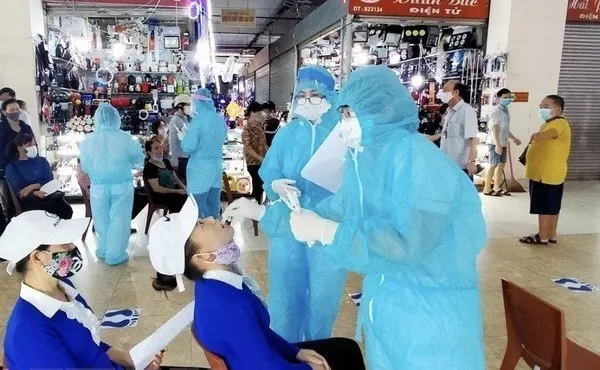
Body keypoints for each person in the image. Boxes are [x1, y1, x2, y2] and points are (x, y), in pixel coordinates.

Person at [286, 66, 486, 369]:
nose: (344, 124)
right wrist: (270, 211)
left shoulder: (420, 161)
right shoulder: (368, 159)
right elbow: (342, 207)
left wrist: (329, 232)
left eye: (349, 114)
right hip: (391, 306)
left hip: (432, 323)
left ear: (379, 111)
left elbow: (406, 246)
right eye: (342, 114)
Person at [147, 197, 366, 370]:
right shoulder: (228, 305)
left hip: (262, 356)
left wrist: (295, 352)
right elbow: (264, 365)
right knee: (347, 353)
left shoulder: (216, 284)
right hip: (262, 364)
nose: (213, 219)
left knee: (345, 349)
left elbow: (259, 334)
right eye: (202, 224)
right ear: (203, 258)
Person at [226, 66, 347, 342]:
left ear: (330, 95)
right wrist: (276, 184)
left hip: (327, 228)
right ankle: (288, 350)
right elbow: (270, 171)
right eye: (301, 95)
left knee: (323, 295)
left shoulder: (341, 135)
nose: (307, 100)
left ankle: (319, 348)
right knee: (286, 294)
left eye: (315, 94)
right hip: (288, 227)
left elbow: (354, 181)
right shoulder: (288, 132)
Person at [0, 211, 164, 369]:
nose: (73, 246)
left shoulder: (65, 287)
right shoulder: (29, 333)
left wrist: (129, 359)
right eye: (64, 243)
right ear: (37, 257)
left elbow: (89, 345)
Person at [80, 103, 145, 265]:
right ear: (116, 118)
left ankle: (103, 249)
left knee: (101, 218)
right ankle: (115, 254)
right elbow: (138, 161)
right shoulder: (125, 138)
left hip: (98, 186)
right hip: (121, 185)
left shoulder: (88, 140)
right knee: (120, 218)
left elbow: (85, 166)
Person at [519, 95, 571, 245]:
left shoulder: (559, 123)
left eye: (546, 106)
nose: (542, 109)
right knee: (552, 205)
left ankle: (542, 236)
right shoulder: (552, 122)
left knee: (544, 206)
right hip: (551, 173)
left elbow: (553, 133)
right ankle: (551, 234)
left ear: (558, 109)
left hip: (545, 174)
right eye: (541, 106)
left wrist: (540, 135)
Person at [181, 89, 227, 219]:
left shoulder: (198, 121)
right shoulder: (219, 120)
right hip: (216, 167)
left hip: (199, 170)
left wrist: (184, 137)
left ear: (198, 102)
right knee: (213, 206)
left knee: (196, 207)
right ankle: (213, 234)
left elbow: (188, 147)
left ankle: (198, 237)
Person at [5, 134, 73, 219]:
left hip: (50, 195)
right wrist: (34, 193)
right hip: (30, 201)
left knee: (66, 210)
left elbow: (49, 180)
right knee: (45, 216)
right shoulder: (12, 167)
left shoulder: (42, 161)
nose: (33, 147)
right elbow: (19, 191)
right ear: (19, 149)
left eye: (34, 144)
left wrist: (33, 186)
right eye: (29, 145)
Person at [433, 80, 479, 179]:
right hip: (446, 164)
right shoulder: (449, 111)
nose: (442, 93)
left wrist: (471, 161)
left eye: (445, 90)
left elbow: (473, 139)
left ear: (456, 92)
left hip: (460, 167)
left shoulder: (467, 111)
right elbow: (448, 134)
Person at [484, 88, 522, 196]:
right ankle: (487, 188)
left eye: (509, 97)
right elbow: (495, 127)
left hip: (503, 142)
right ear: (499, 98)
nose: (508, 99)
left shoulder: (505, 111)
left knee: (501, 165)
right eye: (505, 97)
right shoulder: (496, 112)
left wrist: (514, 138)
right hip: (494, 142)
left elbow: (505, 129)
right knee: (493, 165)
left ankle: (497, 187)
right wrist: (497, 144)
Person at [242, 102, 268, 203]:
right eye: (257, 114)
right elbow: (248, 148)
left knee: (261, 187)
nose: (259, 116)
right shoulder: (247, 129)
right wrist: (260, 158)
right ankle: (254, 207)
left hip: (262, 162)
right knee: (258, 187)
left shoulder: (260, 127)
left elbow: (263, 144)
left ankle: (258, 206)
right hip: (254, 163)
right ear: (251, 113)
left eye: (260, 114)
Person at [0, 98, 34, 172]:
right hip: (9, 168)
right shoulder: (2, 129)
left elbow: (33, 144)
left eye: (17, 109)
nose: (15, 111)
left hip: (28, 165)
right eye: (11, 110)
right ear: (4, 112)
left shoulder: (26, 127)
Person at [168, 94, 192, 181]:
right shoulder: (176, 120)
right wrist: (174, 161)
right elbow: (173, 142)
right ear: (180, 106)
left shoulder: (184, 119)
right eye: (187, 105)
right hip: (181, 159)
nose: (189, 107)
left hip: (185, 157)